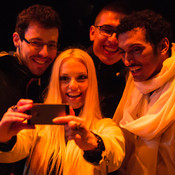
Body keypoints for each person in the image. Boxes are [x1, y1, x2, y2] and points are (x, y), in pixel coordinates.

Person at [0, 48, 125, 175]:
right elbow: (12, 153)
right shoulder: (38, 124)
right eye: (64, 78)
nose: (73, 85)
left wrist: (91, 143)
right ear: (56, 82)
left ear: (91, 81)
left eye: (81, 78)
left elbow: (114, 158)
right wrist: (4, 138)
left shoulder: (105, 127)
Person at [0, 4, 61, 175]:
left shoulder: (58, 78)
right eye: (36, 43)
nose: (45, 53)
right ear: (16, 39)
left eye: (51, 45)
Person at [113, 9, 175, 175]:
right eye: (122, 52)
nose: (127, 61)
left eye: (136, 50)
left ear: (163, 46)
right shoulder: (134, 82)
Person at [88, 1, 132, 118]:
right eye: (107, 30)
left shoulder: (136, 74)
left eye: (120, 33)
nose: (113, 40)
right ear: (92, 33)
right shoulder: (71, 64)